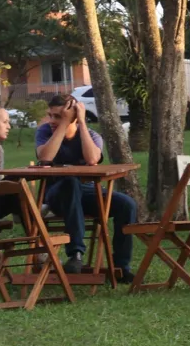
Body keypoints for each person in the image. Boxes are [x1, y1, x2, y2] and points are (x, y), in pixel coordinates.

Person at [36, 95, 137, 281]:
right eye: (50, 115)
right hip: (56, 195)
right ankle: (75, 254)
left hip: (87, 193)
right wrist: (63, 124)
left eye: (58, 116)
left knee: (126, 204)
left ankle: (121, 267)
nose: (51, 121)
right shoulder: (44, 132)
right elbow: (46, 157)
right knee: (70, 181)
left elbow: (92, 160)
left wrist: (80, 123)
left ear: (75, 116)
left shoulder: (91, 135)